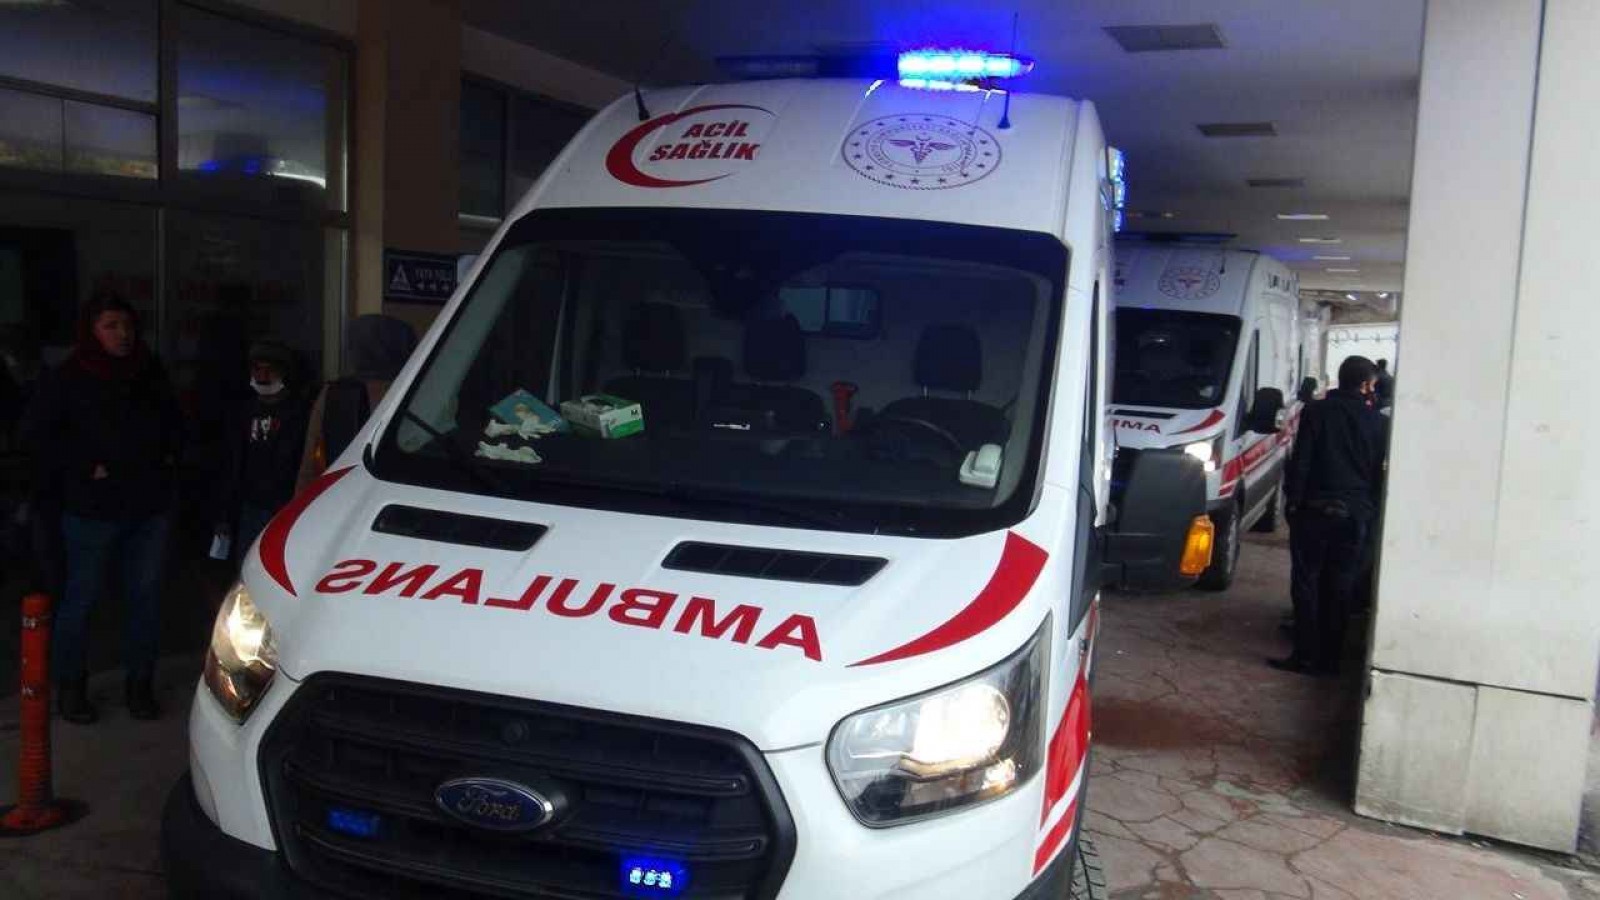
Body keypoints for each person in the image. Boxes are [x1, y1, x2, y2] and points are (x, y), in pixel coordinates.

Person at [21, 292, 181, 722]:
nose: (122, 334)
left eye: (126, 325)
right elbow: (37, 438)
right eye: (111, 326)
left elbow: (174, 424)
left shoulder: (149, 371)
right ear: (92, 330)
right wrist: (82, 467)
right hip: (91, 511)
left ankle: (139, 684)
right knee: (82, 598)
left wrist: (167, 463)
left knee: (144, 598)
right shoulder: (69, 377)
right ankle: (71, 687)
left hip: (148, 506)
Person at [1270, 355, 1388, 677]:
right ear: (1365, 385)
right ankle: (1331, 661)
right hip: (1355, 515)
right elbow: (1378, 475)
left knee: (1307, 582)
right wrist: (1370, 511)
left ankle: (1304, 655)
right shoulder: (1379, 423)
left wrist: (1293, 503)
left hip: (1314, 511)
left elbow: (1302, 460)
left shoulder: (1316, 411)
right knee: (1340, 585)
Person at [297, 314, 418, 492]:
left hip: (342, 492)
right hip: (396, 493)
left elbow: (310, 462)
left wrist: (302, 500)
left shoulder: (337, 392)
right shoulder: (414, 390)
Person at [216, 340, 311, 562]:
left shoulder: (301, 414)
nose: (263, 375)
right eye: (257, 368)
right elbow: (232, 464)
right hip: (249, 508)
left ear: (285, 372)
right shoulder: (242, 412)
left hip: (286, 507)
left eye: (271, 369)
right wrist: (225, 515)